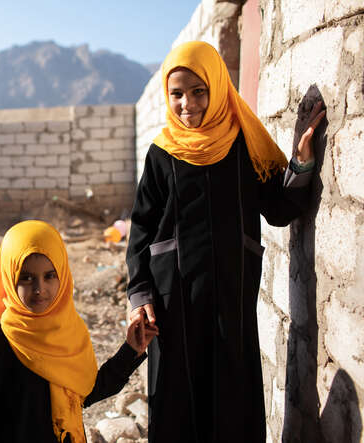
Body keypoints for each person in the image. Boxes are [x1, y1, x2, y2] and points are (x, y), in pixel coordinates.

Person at [125, 41, 325, 443]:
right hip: (172, 302)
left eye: (199, 91)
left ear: (217, 88)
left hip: (232, 296)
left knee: (231, 391)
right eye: (177, 94)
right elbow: (141, 230)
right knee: (177, 394)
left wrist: (301, 162)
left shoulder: (242, 145)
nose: (188, 104)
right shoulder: (162, 154)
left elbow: (280, 209)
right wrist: (139, 294)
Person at [0, 220, 158, 443]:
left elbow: (85, 392)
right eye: (26, 278)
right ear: (9, 278)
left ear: (63, 274)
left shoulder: (69, 331)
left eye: (49, 276)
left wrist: (131, 350)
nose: (39, 289)